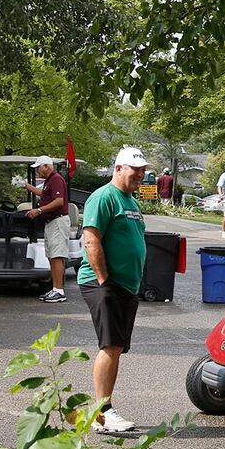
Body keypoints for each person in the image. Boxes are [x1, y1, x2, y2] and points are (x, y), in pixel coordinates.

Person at [77, 146, 149, 433]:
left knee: (116, 347)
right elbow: (91, 240)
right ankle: (102, 413)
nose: (140, 175)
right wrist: (104, 281)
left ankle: (104, 409)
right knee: (110, 345)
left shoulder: (131, 201)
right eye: (136, 170)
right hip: (104, 284)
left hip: (125, 285)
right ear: (119, 168)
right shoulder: (103, 197)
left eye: (143, 171)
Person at [27, 155, 71, 303]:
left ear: (46, 166)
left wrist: (39, 211)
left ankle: (59, 291)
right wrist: (26, 186)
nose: (38, 170)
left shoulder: (57, 179)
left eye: (38, 167)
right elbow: (44, 194)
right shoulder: (49, 181)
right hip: (51, 222)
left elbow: (59, 201)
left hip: (58, 221)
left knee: (57, 255)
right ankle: (55, 288)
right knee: (52, 255)